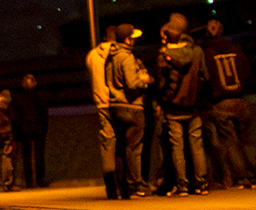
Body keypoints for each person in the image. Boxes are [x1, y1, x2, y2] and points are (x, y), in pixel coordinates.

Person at [157, 13, 210, 195]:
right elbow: (206, 76)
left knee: (177, 148)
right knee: (197, 146)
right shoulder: (197, 52)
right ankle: (201, 184)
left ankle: (183, 185)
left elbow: (162, 83)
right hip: (193, 106)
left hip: (173, 108)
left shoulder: (164, 55)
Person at [201, 19, 256, 188]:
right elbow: (247, 73)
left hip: (221, 103)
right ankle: (253, 174)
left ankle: (240, 177)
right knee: (247, 140)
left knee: (230, 142)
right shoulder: (236, 50)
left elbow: (205, 79)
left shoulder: (207, 53)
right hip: (240, 101)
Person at [105, 25, 149, 198]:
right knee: (135, 148)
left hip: (116, 106)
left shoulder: (111, 57)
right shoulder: (127, 57)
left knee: (121, 149)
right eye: (133, 37)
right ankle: (135, 185)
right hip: (132, 106)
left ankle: (122, 186)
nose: (134, 40)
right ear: (127, 39)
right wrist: (143, 81)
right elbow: (131, 83)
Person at [87, 27, 119, 198]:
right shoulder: (118, 53)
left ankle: (110, 185)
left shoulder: (92, 55)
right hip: (118, 102)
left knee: (107, 143)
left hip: (100, 102)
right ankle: (125, 184)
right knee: (122, 144)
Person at [12, 75, 50, 189]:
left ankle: (29, 182)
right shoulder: (40, 97)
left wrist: (17, 133)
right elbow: (44, 116)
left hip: (24, 130)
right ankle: (40, 180)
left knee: (26, 157)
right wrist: (44, 130)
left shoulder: (18, 99)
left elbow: (16, 117)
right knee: (39, 155)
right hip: (38, 130)